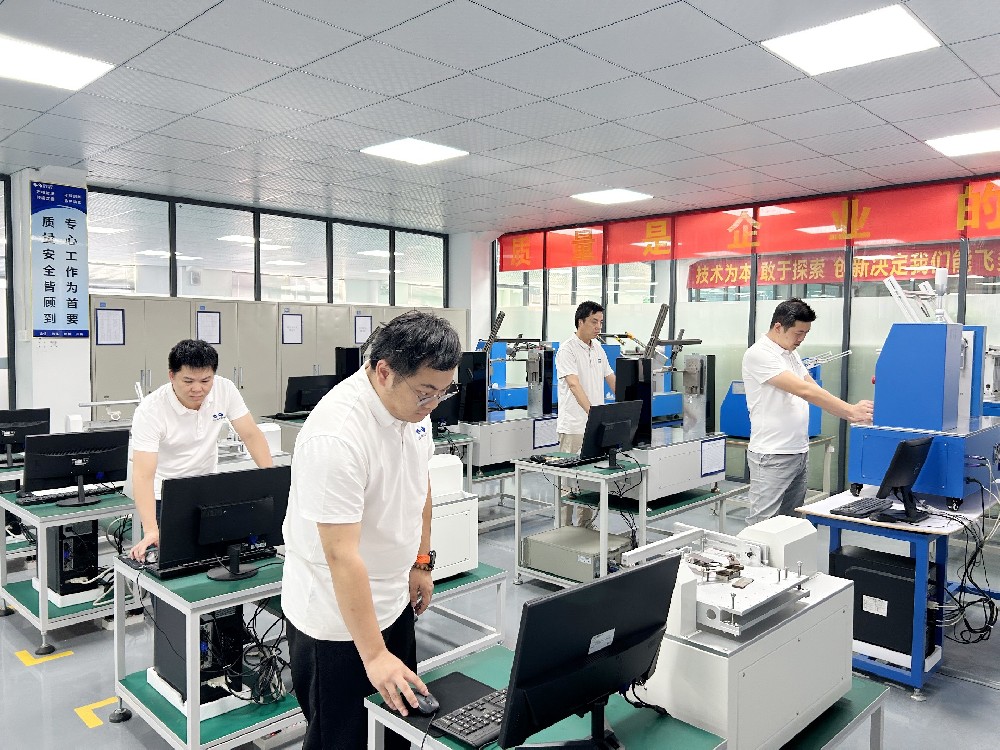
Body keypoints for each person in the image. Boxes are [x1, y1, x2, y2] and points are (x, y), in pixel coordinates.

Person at [281, 310, 463, 750]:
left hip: (393, 601)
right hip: (337, 623)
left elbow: (419, 486)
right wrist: (375, 654)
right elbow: (341, 555)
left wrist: (421, 561)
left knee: (397, 730)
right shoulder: (337, 436)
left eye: (444, 391)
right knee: (340, 739)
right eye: (426, 392)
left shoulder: (415, 409)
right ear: (384, 372)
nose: (434, 404)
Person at [128, 339, 273, 560]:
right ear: (171, 376)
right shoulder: (151, 410)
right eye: (188, 381)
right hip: (164, 496)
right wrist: (150, 530)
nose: (197, 389)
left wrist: (270, 482)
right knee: (172, 562)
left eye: (206, 380)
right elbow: (142, 475)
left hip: (207, 490)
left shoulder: (225, 389)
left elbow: (251, 435)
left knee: (214, 557)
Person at [743, 298, 873, 525]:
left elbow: (813, 388)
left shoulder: (790, 354)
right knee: (763, 525)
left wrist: (851, 412)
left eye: (806, 333)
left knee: (790, 524)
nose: (801, 339)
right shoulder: (759, 354)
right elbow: (804, 390)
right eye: (798, 333)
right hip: (772, 454)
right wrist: (851, 411)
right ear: (778, 327)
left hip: (798, 451)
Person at [555, 300, 616, 527]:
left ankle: (585, 529)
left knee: (589, 481)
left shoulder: (598, 348)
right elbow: (574, 384)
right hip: (574, 426)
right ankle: (563, 532)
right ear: (580, 322)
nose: (598, 326)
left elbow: (611, 378)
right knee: (568, 484)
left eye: (601, 322)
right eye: (594, 321)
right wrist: (593, 413)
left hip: (594, 428)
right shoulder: (567, 349)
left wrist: (631, 399)